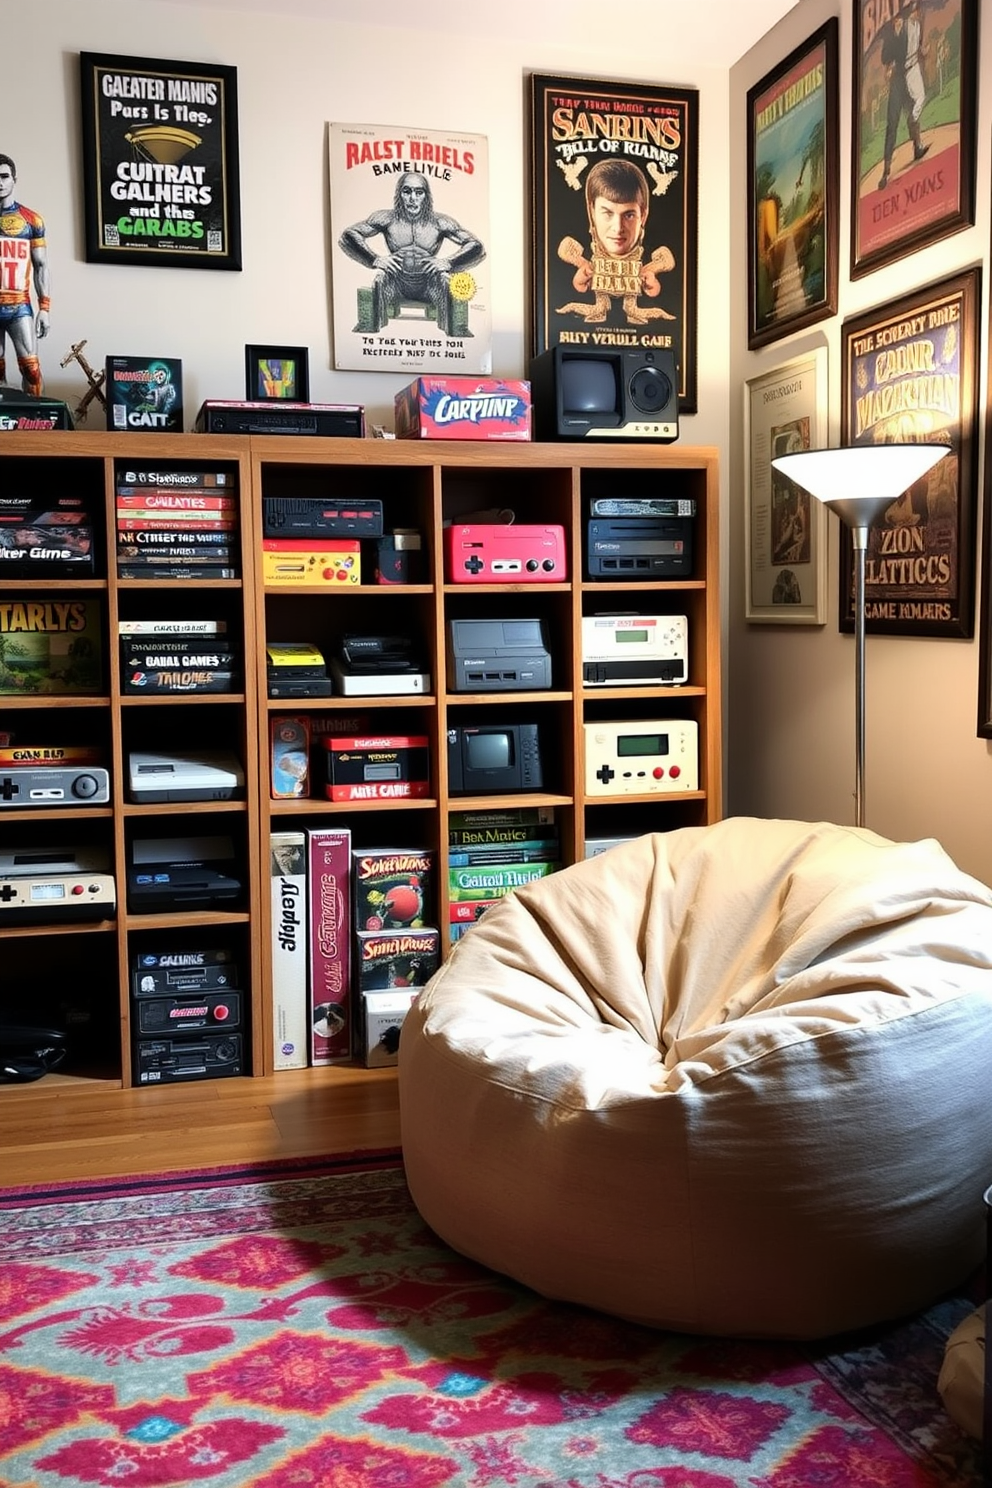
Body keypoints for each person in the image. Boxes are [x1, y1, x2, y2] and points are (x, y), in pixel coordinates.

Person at [338, 172, 485, 336]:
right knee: (379, 281)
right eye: (407, 191)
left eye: (419, 192)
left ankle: (456, 336)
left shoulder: (440, 222)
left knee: (446, 283)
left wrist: (449, 263)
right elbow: (348, 236)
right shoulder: (386, 218)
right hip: (396, 282)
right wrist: (375, 259)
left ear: (426, 196)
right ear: (399, 195)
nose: (412, 198)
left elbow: (476, 246)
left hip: (429, 284)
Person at [555, 157, 675, 327]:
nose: (618, 228)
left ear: (643, 216)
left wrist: (651, 281)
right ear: (592, 212)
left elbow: (655, 288)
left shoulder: (647, 257)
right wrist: (581, 278)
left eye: (629, 215)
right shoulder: (587, 260)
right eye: (607, 213)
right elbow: (580, 286)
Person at [0, 154, 50, 396]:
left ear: (14, 179)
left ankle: (38, 427)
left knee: (31, 369)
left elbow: (41, 265)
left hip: (19, 304)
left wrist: (45, 308)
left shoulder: (31, 219)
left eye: (4, 176)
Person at [878, 10, 928, 191]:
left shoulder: (913, 26)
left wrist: (922, 52)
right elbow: (885, 57)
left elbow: (915, 49)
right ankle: (886, 170)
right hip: (898, 81)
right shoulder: (891, 33)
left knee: (913, 113)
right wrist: (894, 34)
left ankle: (917, 146)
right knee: (892, 123)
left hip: (910, 75)